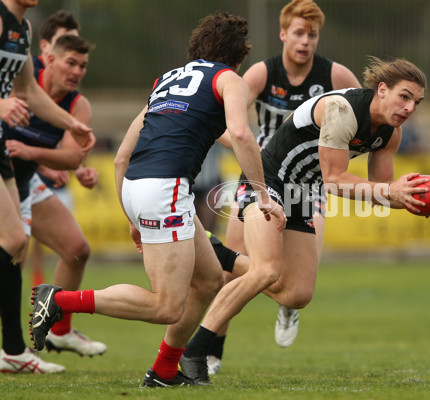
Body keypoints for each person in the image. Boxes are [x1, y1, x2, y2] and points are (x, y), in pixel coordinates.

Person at [29, 12, 285, 387]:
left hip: (137, 186)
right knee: (166, 305)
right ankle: (62, 301)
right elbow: (242, 135)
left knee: (210, 279)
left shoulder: (168, 79)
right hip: (166, 189)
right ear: (238, 56)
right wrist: (263, 195)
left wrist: (131, 216)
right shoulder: (228, 77)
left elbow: (121, 156)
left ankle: (164, 371)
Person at [179, 57, 429, 382]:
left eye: (417, 102)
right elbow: (335, 179)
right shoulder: (343, 110)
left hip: (303, 193)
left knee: (297, 295)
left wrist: (411, 199)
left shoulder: (390, 134)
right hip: (266, 181)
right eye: (404, 96)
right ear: (382, 89)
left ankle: (220, 254)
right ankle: (196, 351)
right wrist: (389, 192)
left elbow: (383, 191)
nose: (410, 107)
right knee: (266, 270)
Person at [204, 0, 361, 375]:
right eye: (298, 33)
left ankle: (289, 303)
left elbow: (366, 116)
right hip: (261, 176)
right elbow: (222, 121)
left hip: (308, 182)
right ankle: (211, 352)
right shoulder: (262, 73)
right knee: (228, 273)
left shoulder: (335, 75)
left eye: (312, 35)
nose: (305, 41)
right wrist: (248, 146)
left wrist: (339, 156)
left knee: (303, 265)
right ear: (283, 34)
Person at [0, 0, 93, 375]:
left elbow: (30, 94)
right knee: (14, 242)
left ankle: (12, 352)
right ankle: (13, 350)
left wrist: (72, 124)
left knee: (15, 242)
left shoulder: (21, 30)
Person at [28, 9, 90, 287]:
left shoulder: (78, 104)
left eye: (82, 64)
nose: (77, 70)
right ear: (48, 53)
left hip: (24, 178)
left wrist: (76, 167)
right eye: (70, 60)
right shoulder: (24, 75)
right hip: (10, 174)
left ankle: (58, 329)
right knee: (14, 246)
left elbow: (71, 155)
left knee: (77, 250)